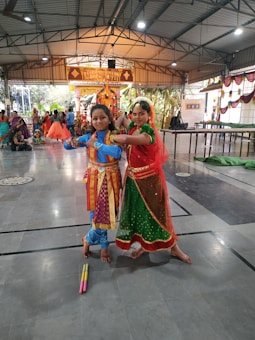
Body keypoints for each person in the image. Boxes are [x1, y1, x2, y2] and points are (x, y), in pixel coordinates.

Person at [113, 97, 192, 264]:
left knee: (158, 216)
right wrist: (120, 118)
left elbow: (127, 139)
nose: (137, 117)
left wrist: (108, 137)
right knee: (141, 216)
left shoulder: (149, 133)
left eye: (142, 114)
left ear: (149, 115)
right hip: (134, 182)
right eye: (134, 114)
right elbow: (122, 122)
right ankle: (144, 245)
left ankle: (175, 249)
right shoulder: (134, 127)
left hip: (150, 182)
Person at [64, 104, 123, 263]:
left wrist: (95, 144)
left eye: (102, 117)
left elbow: (116, 153)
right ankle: (103, 248)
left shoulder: (114, 136)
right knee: (96, 216)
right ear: (91, 120)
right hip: (94, 180)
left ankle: (88, 240)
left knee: (107, 214)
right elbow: (66, 146)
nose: (99, 121)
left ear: (109, 118)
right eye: (95, 118)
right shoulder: (88, 137)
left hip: (111, 180)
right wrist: (72, 141)